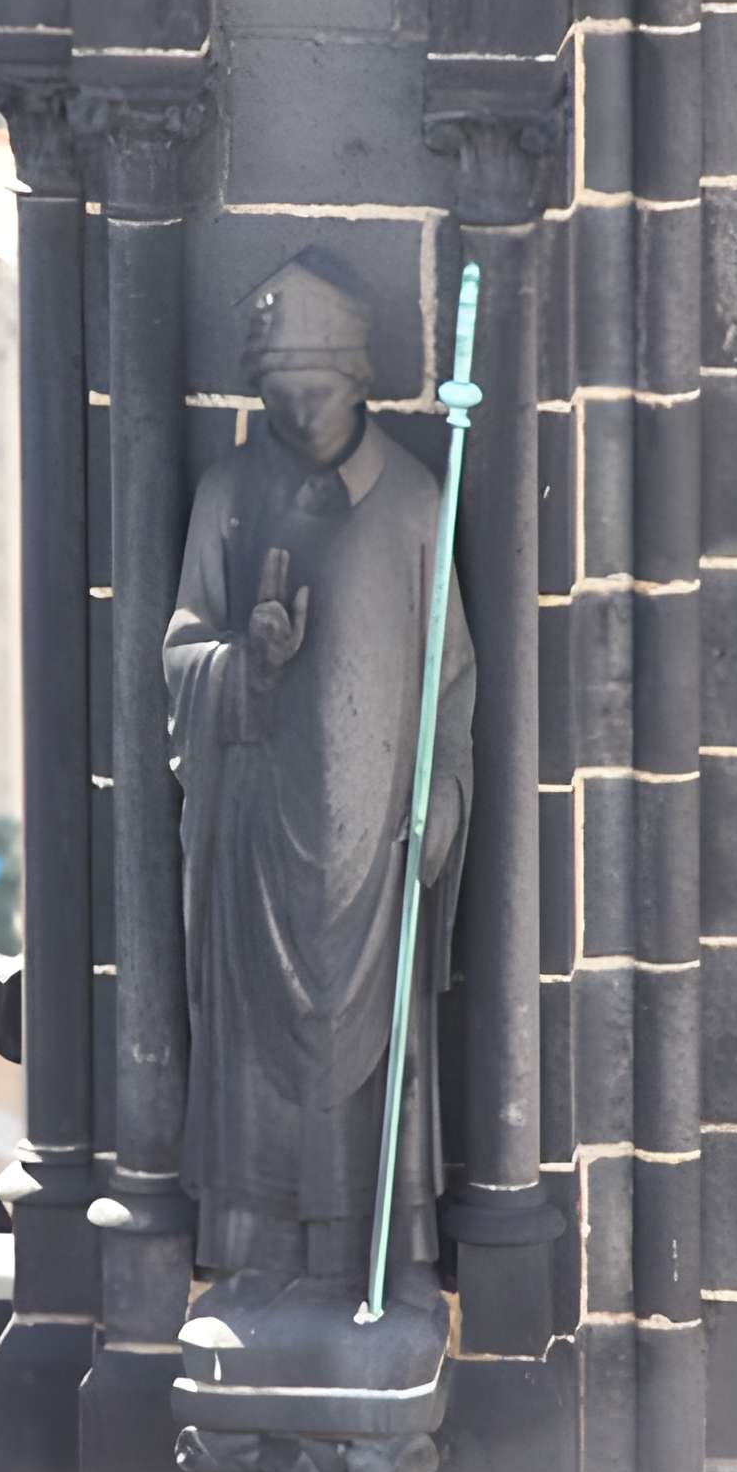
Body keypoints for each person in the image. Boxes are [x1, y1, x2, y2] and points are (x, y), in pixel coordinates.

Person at [163, 246, 474, 1306]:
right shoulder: (229, 493)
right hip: (258, 838)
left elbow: (452, 675)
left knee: (372, 1053)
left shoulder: (417, 502)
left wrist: (440, 797)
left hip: (372, 838)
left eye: (317, 392)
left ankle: (373, 1246)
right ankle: (255, 1249)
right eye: (278, 395)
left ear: (358, 383)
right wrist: (242, 664)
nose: (297, 412)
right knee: (257, 1063)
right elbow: (179, 652)